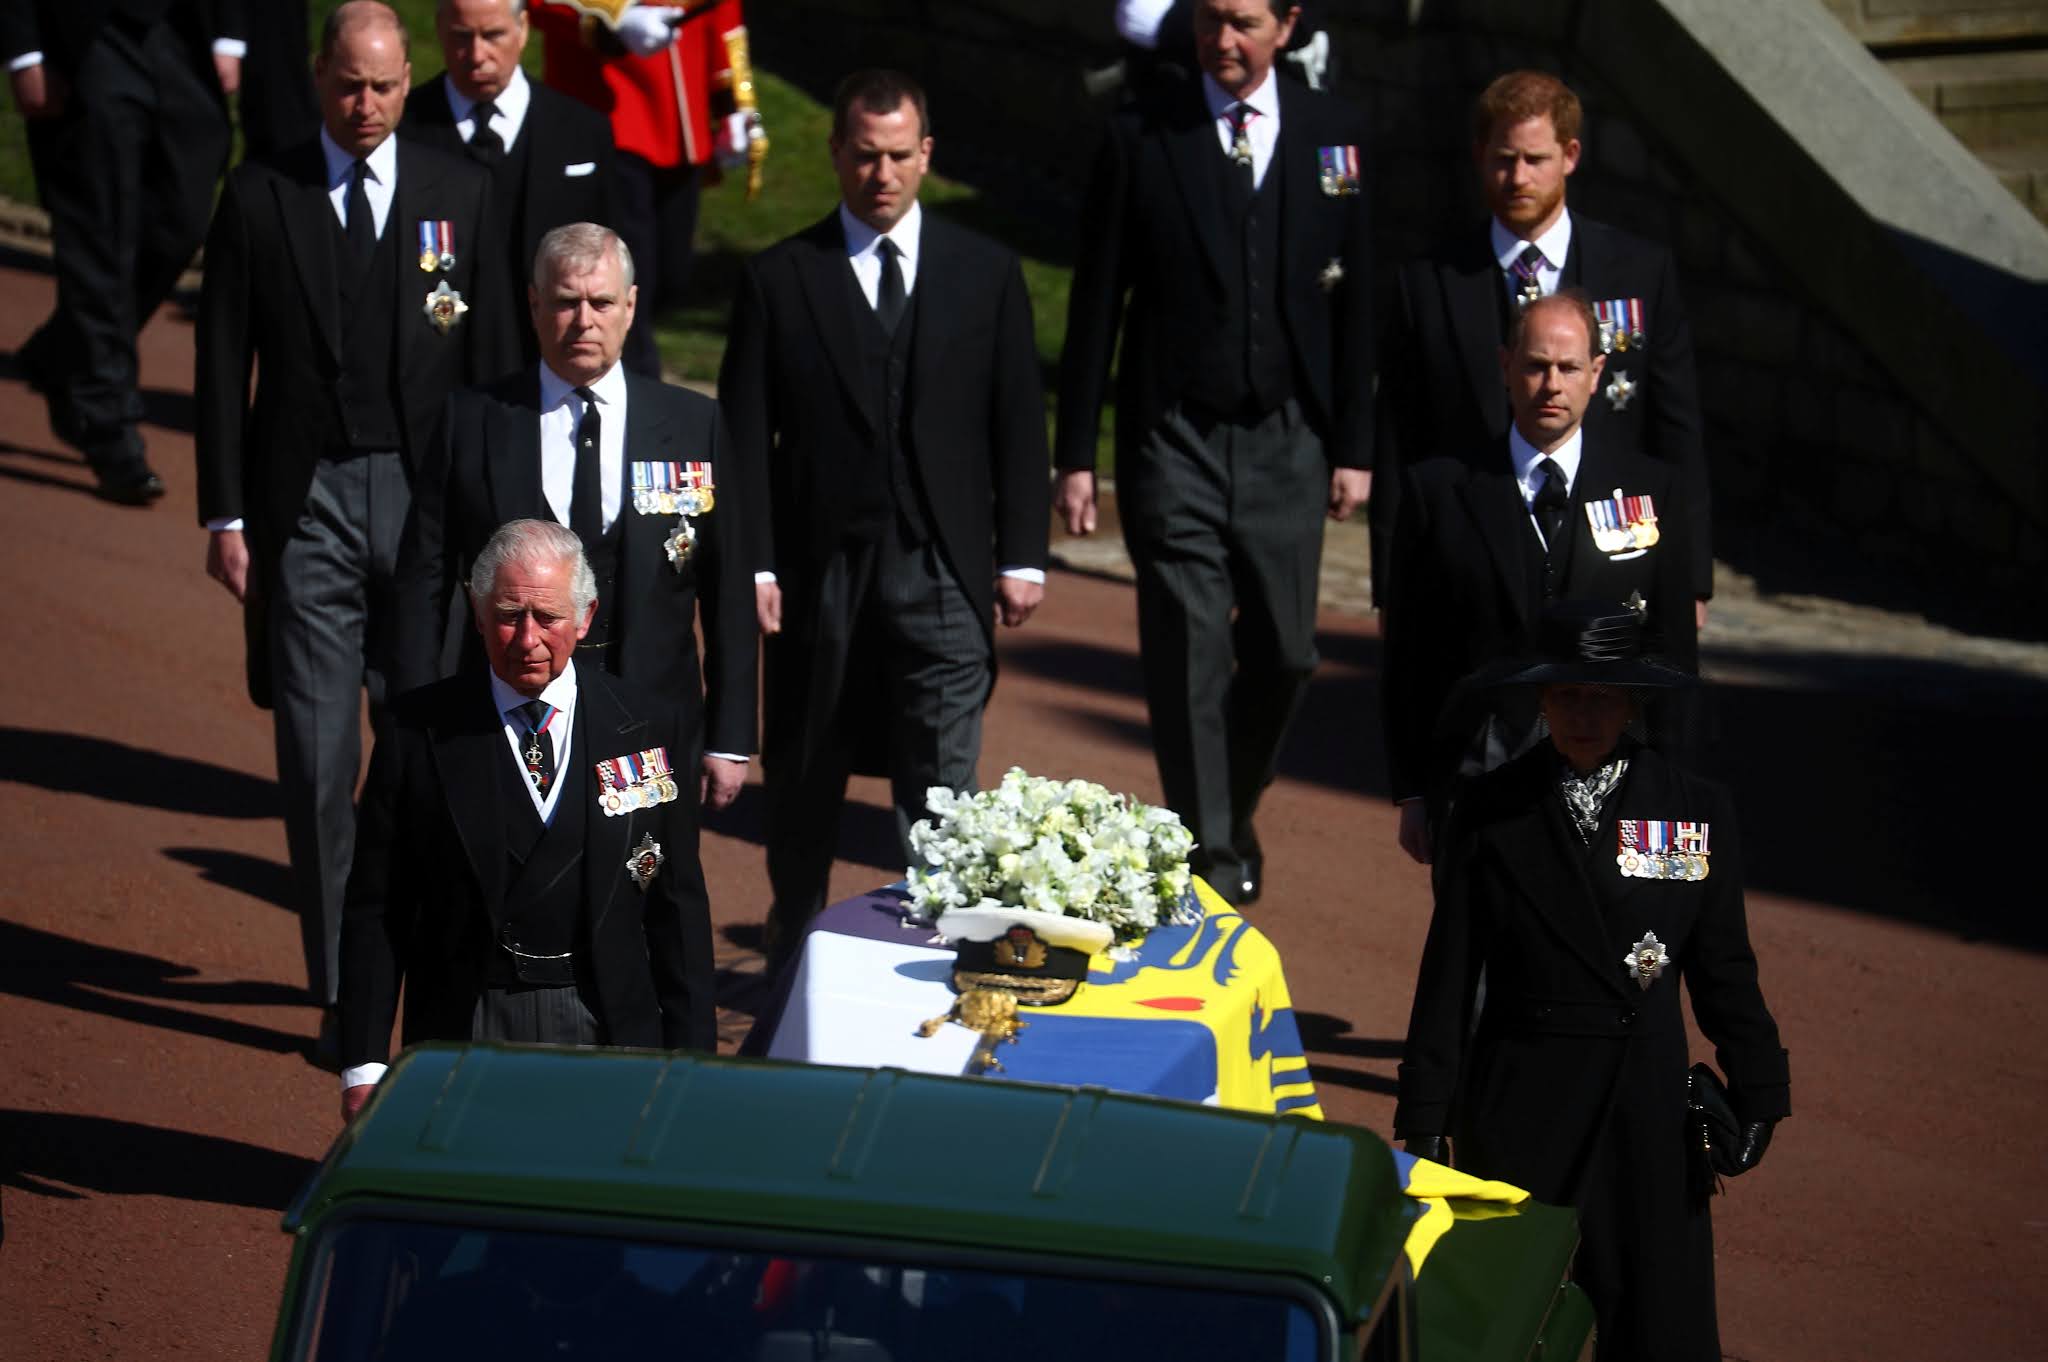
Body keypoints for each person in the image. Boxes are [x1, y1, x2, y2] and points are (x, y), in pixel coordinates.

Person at [195, 0, 517, 1055]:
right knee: (316, 747)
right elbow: (221, 359)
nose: (367, 105)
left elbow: (488, 370)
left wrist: (492, 516)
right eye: (348, 85)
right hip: (308, 503)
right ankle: (341, 980)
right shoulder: (259, 193)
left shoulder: (460, 194)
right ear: (320, 78)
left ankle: (420, 952)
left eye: (384, 86)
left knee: (421, 744)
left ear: (406, 76)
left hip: (427, 513)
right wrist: (227, 511)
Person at [1394, 599, 1788, 1362]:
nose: (1584, 713)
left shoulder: (1695, 812)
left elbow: (1724, 965)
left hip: (1642, 1102)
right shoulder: (1488, 808)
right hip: (1518, 1098)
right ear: (1541, 699)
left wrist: (1761, 1087)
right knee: (1496, 1312)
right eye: (1568, 694)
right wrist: (1424, 1110)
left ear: (1632, 703)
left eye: (1602, 696)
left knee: (1656, 1316)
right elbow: (1448, 972)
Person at [718, 68, 1050, 955]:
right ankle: (794, 923)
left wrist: (1023, 553)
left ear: (927, 155)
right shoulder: (780, 280)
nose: (882, 174)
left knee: (942, 772)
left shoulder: (985, 275)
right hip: (817, 568)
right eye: (864, 157)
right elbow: (743, 440)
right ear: (835, 154)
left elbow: (1018, 420)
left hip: (942, 562)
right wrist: (752, 561)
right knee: (805, 763)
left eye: (900, 156)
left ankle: (937, 942)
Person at [1054, 0, 1373, 905]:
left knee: (1287, 652)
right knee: (1189, 648)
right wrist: (1077, 453)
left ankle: (1227, 806)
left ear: (1286, 23)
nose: (1222, 42)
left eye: (1241, 22)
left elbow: (1357, 300)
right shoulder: (1142, 133)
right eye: (1207, 22)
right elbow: (1094, 302)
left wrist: (1355, 443)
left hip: (1289, 439)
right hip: (1173, 437)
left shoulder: (1335, 133)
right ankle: (1211, 853)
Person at [338, 518, 718, 1120]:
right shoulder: (419, 732)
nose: (528, 640)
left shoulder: (647, 724)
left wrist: (696, 1059)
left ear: (586, 617)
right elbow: (378, 906)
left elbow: (677, 907)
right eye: (511, 616)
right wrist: (363, 1062)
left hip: (611, 1023)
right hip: (466, 1024)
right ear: (479, 612)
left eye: (549, 618)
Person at [395, 222, 755, 810]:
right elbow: (423, 579)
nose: (584, 319)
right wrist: (413, 714)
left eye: (601, 301)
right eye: (565, 301)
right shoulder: (473, 421)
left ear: (631, 307)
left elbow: (728, 592)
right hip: (503, 718)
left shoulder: (694, 425)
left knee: (640, 885)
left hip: (647, 723)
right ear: (535, 305)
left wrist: (731, 737)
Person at [1373, 70, 1710, 615]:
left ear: (1570, 155)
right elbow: (1399, 436)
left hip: (1611, 540)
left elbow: (1676, 429)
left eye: (1535, 160)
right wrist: (1390, 582)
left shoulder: (1638, 272)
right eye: (1504, 159)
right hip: (1471, 556)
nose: (1517, 177)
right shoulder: (1429, 283)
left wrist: (1691, 577)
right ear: (1481, 155)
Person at [1380, 291, 1695, 865]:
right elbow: (1409, 654)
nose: (1552, 383)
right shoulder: (1440, 492)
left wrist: (1671, 790)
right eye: (1536, 365)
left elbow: (1673, 651)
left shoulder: (1651, 490)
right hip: (1478, 780)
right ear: (1506, 367)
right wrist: (1416, 790)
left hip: (1613, 776)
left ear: (1597, 374)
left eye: (1569, 367)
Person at [2, 0, 241, 503]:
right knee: (101, 233)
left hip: (182, 34)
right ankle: (109, 425)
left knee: (183, 219)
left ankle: (60, 353)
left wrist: (230, 34)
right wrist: (23, 51)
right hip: (91, 37)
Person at [531, 0, 763, 377]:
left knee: (671, 275)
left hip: (681, 125)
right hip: (612, 117)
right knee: (626, 279)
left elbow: (720, 11)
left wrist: (732, 101)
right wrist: (612, 20)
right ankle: (638, 391)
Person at [402, 0, 621, 367]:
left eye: (493, 35)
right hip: (435, 362)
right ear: (440, 30)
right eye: (460, 37)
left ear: (522, 29)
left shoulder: (581, 132)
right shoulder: (406, 132)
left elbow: (613, 257)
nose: (476, 54)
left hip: (548, 364)